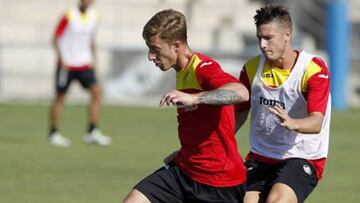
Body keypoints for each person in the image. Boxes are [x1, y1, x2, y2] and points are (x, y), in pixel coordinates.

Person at [123, 9, 249, 203]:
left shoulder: (203, 68)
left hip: (219, 182)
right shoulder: (181, 71)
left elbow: (240, 92)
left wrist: (194, 98)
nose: (150, 56)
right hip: (184, 171)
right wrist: (186, 152)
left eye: (155, 49)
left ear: (176, 46)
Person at [235, 5, 331, 203]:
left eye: (268, 38)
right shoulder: (251, 68)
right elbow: (239, 114)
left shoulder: (312, 69)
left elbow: (316, 123)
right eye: (259, 37)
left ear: (287, 35)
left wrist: (293, 122)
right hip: (261, 156)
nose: (262, 44)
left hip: (302, 155)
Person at [48, 0, 111, 147]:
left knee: (96, 92)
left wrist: (94, 61)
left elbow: (91, 39)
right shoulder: (70, 14)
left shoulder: (94, 16)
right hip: (67, 65)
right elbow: (56, 37)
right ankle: (54, 133)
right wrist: (61, 58)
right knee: (60, 97)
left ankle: (92, 131)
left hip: (84, 64)